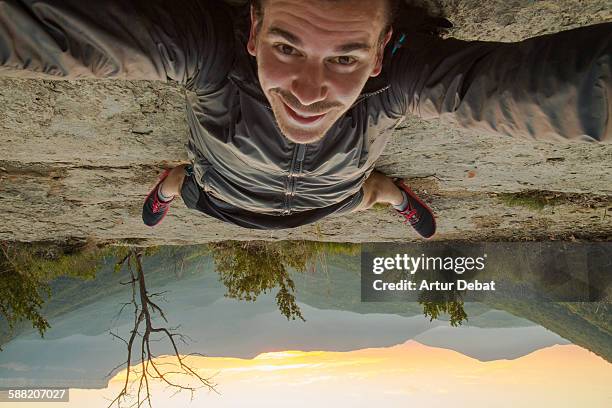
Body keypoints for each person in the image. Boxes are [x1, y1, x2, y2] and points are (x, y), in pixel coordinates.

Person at [1, 0, 610, 239]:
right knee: (366, 192)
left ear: (381, 52)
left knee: (181, 188)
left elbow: (536, 90)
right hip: (336, 196)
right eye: (287, 47)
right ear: (252, 30)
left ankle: (167, 186)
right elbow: (51, 36)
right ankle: (390, 197)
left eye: (345, 56)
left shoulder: (401, 79)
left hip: (223, 195)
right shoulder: (209, 53)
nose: (310, 93)